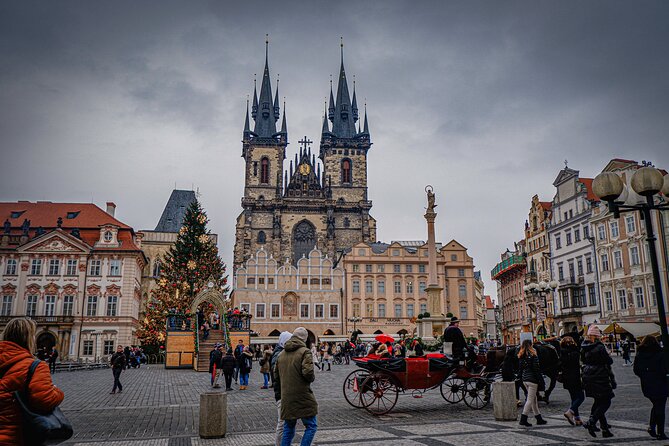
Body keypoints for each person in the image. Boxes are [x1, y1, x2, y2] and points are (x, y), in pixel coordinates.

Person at [0, 318, 65, 445]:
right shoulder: (35, 366)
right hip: (13, 435)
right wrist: (58, 392)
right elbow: (44, 399)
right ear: (29, 338)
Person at [274, 327, 317, 446]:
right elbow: (308, 373)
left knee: (288, 427)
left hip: (286, 396)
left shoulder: (281, 354)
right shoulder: (305, 351)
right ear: (304, 338)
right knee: (311, 425)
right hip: (302, 395)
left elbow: (276, 377)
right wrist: (311, 378)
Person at [581, 325, 616, 438]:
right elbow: (609, 361)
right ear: (597, 336)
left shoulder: (584, 346)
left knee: (598, 401)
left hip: (588, 376)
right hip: (600, 376)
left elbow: (583, 360)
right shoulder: (600, 347)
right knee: (606, 401)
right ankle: (591, 422)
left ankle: (605, 429)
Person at [633, 335, 668, 440]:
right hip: (660, 383)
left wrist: (645, 376)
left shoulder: (639, 354)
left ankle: (652, 427)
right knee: (660, 408)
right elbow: (664, 369)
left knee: (656, 405)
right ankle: (660, 432)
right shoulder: (660, 354)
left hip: (647, 384)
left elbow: (636, 370)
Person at [517, 339, 547, 427]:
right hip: (532, 380)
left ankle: (539, 418)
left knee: (534, 400)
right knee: (530, 400)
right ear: (531, 345)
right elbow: (536, 369)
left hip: (525, 379)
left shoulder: (521, 356)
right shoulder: (533, 355)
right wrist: (540, 380)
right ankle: (523, 418)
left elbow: (520, 369)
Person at [271, 331, 293, 446]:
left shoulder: (280, 352)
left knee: (286, 422)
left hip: (284, 392)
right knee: (282, 422)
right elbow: (277, 375)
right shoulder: (278, 355)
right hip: (281, 393)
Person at [560, 336, 584, 426]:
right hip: (576, 378)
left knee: (574, 398)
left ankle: (577, 419)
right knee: (581, 397)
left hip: (567, 379)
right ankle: (570, 411)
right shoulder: (576, 352)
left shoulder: (562, 353)